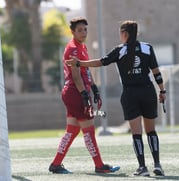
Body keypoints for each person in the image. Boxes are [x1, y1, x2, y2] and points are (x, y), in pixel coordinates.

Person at [66, 20, 166, 177]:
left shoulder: (120, 50)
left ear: (125, 34)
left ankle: (142, 167)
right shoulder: (148, 48)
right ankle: (158, 165)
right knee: (151, 131)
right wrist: (162, 91)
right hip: (148, 92)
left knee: (137, 133)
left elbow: (101, 62)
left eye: (120, 33)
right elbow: (156, 73)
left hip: (130, 94)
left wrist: (79, 63)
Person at [48, 17, 120, 174]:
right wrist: (84, 96)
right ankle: (99, 165)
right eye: (80, 30)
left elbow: (86, 71)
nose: (83, 32)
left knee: (72, 130)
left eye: (85, 29)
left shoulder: (82, 47)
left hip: (76, 92)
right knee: (89, 130)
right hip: (75, 92)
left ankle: (55, 164)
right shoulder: (73, 48)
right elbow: (76, 75)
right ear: (72, 32)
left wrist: (94, 89)